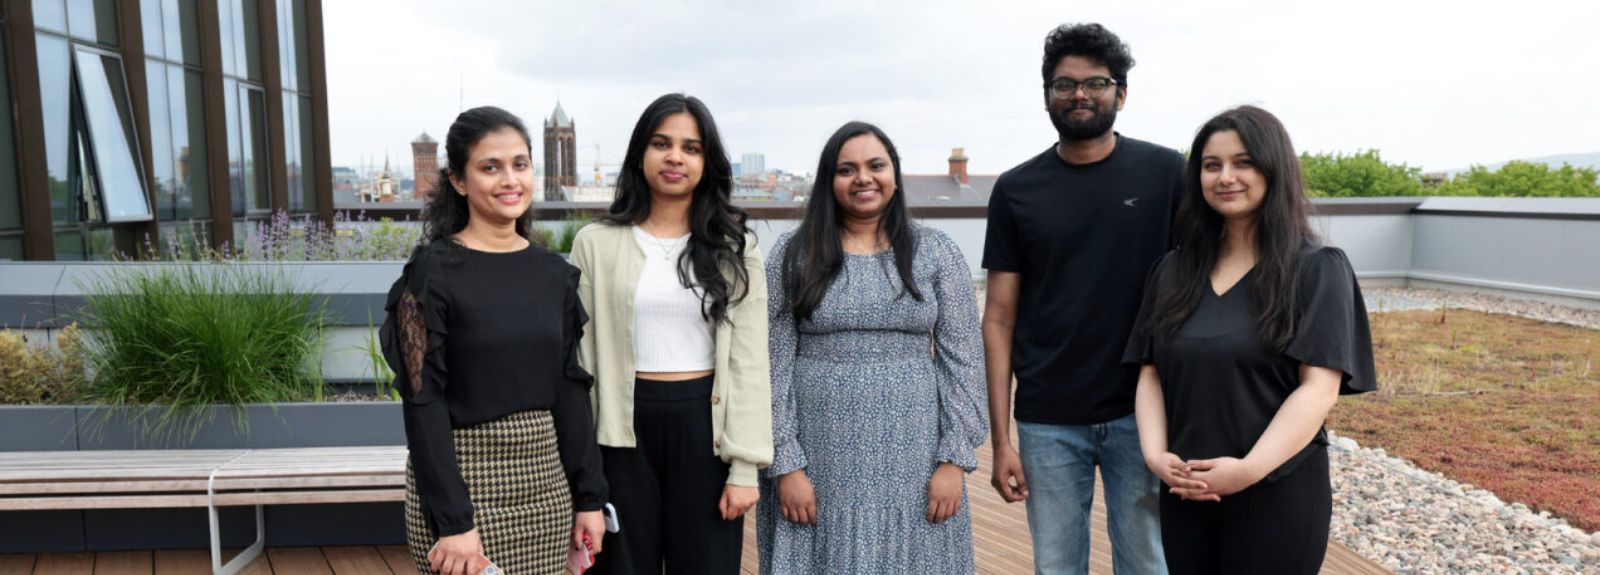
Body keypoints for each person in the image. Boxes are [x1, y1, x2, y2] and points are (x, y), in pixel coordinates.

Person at [1123, 105, 1376, 574]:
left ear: (1273, 168)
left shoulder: (1317, 268)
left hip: (1275, 493)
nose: (1226, 177)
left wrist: (1248, 469)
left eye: (1244, 162)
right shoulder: (1173, 271)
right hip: (1188, 491)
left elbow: (1318, 389)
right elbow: (1151, 372)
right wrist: (1157, 456)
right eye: (1211, 165)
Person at [982, 23, 1181, 574]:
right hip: (1048, 417)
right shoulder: (1017, 189)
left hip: (1142, 410)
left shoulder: (1169, 174)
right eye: (1064, 84)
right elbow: (998, 318)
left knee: (1147, 562)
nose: (1079, 94)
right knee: (1056, 567)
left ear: (1121, 92)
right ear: (1046, 94)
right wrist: (1001, 441)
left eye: (1096, 82)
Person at [380, 106, 607, 575]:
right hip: (464, 487)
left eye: (520, 164)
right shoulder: (428, 275)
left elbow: (569, 389)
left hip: (545, 487)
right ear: (459, 181)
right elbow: (423, 401)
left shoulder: (553, 274)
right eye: (490, 167)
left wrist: (589, 497)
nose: (510, 180)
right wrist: (453, 520)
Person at [758, 122, 989, 574]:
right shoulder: (793, 254)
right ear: (829, 182)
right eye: (847, 169)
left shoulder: (937, 252)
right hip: (817, 463)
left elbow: (965, 361)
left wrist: (954, 460)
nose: (863, 178)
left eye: (875, 166)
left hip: (916, 462)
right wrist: (786, 464)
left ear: (894, 175)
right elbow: (770, 363)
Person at [570, 93, 773, 575]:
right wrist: (586, 478)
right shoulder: (594, 243)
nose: (675, 157)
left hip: (706, 431)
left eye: (692, 147)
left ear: (708, 162)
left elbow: (749, 360)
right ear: (641, 154)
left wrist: (745, 468)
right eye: (662, 143)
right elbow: (577, 361)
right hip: (620, 432)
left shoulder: (734, 248)